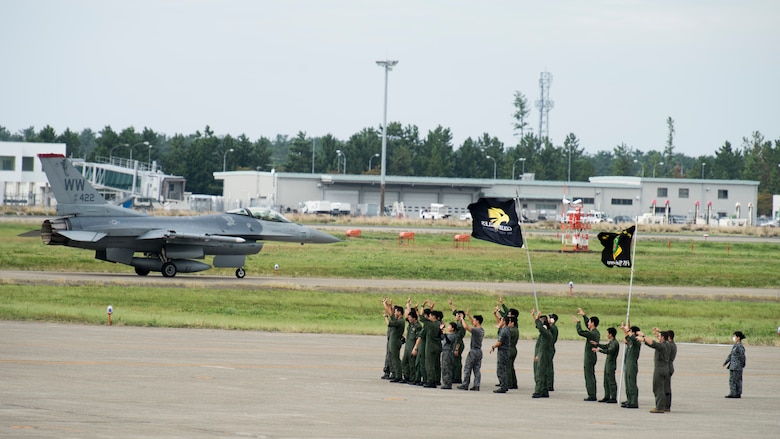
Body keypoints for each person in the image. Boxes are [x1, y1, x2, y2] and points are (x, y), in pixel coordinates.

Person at [639, 329, 670, 413]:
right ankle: (663, 406)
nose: (658, 337)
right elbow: (653, 345)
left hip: (659, 369)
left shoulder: (662, 346)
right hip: (665, 368)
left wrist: (643, 335)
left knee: (658, 388)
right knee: (662, 388)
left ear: (663, 337)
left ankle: (659, 407)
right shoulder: (667, 345)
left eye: (659, 336)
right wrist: (644, 341)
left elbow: (653, 343)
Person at [572, 307, 600, 401]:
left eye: (589, 322)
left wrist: (578, 323)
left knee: (589, 375)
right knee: (590, 375)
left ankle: (592, 394)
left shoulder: (592, 334)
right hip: (591, 356)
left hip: (590, 357)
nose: (588, 323)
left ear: (592, 323)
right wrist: (584, 316)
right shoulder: (595, 332)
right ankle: (592, 393)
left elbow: (580, 332)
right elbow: (588, 325)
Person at [458, 311, 484, 391]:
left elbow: (466, 327)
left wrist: (462, 319)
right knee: (476, 369)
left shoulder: (476, 330)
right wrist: (469, 315)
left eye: (475, 320)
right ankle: (476, 385)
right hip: (479, 351)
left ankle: (465, 384)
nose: (473, 321)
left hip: (473, 351)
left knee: (467, 368)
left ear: (478, 321)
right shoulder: (481, 330)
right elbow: (472, 323)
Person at [592, 327, 619, 403]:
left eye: (607, 333)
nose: (606, 334)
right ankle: (607, 396)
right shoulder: (611, 342)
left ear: (611, 334)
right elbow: (606, 346)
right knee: (606, 381)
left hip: (611, 364)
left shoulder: (615, 343)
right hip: (608, 363)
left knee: (611, 381)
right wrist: (597, 344)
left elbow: (609, 351)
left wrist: (599, 350)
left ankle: (613, 397)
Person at [382, 298, 405, 383]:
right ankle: (396, 375)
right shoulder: (398, 320)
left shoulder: (400, 321)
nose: (394, 313)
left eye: (396, 311)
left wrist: (385, 317)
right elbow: (391, 314)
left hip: (395, 342)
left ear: (399, 312)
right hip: (393, 341)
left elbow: (389, 323)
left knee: (396, 359)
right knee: (393, 358)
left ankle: (398, 375)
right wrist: (386, 304)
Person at [620, 322, 641, 409]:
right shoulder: (631, 341)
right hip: (628, 363)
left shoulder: (636, 341)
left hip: (632, 363)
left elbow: (631, 337)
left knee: (632, 383)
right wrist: (624, 331)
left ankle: (634, 401)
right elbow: (626, 339)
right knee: (628, 383)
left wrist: (627, 330)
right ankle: (629, 399)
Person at [531, 309, 552, 398]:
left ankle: (538, 390)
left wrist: (537, 318)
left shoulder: (546, 333)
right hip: (543, 353)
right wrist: (535, 317)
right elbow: (539, 327)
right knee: (544, 373)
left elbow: (540, 327)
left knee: (540, 372)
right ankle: (544, 390)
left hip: (543, 353)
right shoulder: (546, 333)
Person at [401, 298, 422, 385]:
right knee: (404, 362)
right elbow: (406, 315)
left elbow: (418, 338)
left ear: (414, 318)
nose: (408, 319)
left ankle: (413, 378)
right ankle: (407, 376)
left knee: (412, 363)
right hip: (407, 345)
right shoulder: (411, 324)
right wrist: (408, 305)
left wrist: (415, 348)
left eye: (410, 318)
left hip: (413, 345)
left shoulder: (418, 326)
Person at [490, 315, 511, 393]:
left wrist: (493, 346)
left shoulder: (504, 331)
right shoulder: (507, 329)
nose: (500, 322)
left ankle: (503, 386)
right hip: (505, 351)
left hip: (502, 351)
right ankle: (504, 385)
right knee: (503, 369)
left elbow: (499, 342)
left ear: (504, 322)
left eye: (501, 320)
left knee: (500, 369)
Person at [723, 331, 746, 398]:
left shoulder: (740, 346)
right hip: (733, 366)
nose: (733, 338)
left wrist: (742, 364)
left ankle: (735, 393)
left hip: (737, 366)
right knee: (733, 380)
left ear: (738, 338)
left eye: (735, 336)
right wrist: (726, 362)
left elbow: (742, 356)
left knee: (735, 380)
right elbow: (731, 355)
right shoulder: (735, 345)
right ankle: (734, 393)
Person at [449, 298, 466, 385]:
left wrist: (456, 349)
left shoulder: (460, 326)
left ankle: (457, 377)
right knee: (454, 360)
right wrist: (451, 304)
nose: (455, 316)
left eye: (457, 315)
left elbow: (458, 338)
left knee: (456, 361)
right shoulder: (459, 323)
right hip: (456, 343)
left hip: (458, 344)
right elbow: (455, 311)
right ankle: (455, 376)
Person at [440, 321, 458, 389]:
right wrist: (441, 329)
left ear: (453, 328)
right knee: (444, 367)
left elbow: (448, 341)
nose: (448, 327)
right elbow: (441, 336)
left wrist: (444, 334)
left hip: (448, 352)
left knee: (447, 368)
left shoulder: (453, 335)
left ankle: (448, 383)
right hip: (444, 351)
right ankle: (445, 382)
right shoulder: (448, 335)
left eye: (449, 326)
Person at [547, 313, 559, 392]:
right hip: (549, 348)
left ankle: (549, 384)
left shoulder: (553, 328)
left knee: (549, 367)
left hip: (550, 348)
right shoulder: (552, 327)